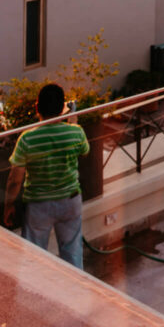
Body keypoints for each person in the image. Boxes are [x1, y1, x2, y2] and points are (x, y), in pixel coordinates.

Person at [4, 82, 89, 270]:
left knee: (33, 258)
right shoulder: (76, 132)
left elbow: (15, 179)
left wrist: (9, 205)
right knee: (73, 254)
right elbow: (83, 151)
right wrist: (72, 121)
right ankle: (74, 296)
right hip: (70, 201)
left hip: (38, 206)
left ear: (37, 108)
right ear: (62, 109)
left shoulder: (27, 139)